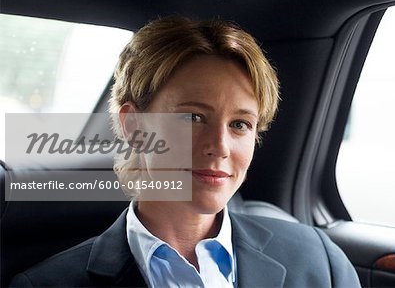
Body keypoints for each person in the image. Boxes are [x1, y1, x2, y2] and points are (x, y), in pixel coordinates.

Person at [10, 16, 361, 287]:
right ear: (134, 126)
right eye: (193, 117)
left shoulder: (319, 261)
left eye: (240, 124)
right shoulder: (44, 284)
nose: (219, 146)